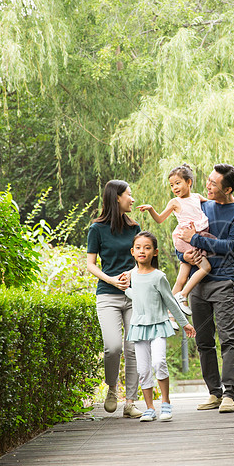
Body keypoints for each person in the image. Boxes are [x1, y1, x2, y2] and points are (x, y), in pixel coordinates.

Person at [176, 163, 234, 413]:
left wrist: (195, 240)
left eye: (213, 183)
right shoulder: (201, 205)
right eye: (208, 180)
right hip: (198, 282)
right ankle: (214, 393)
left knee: (229, 338)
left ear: (228, 188)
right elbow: (182, 239)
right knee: (204, 341)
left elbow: (231, 246)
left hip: (222, 280)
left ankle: (230, 394)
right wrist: (183, 257)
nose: (207, 186)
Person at [123, 231, 195, 422]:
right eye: (138, 248)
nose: (142, 251)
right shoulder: (131, 276)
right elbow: (136, 296)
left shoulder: (159, 276)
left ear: (154, 252)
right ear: (132, 251)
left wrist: (185, 324)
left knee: (159, 362)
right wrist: (126, 289)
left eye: (147, 248)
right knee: (143, 369)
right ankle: (149, 408)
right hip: (139, 328)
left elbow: (171, 302)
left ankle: (165, 403)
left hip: (158, 326)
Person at [86, 179, 143, 418]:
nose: (132, 199)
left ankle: (130, 402)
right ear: (116, 197)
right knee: (113, 347)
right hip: (108, 296)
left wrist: (129, 274)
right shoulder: (96, 229)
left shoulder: (134, 228)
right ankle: (112, 389)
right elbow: (90, 264)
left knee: (133, 348)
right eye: (129, 194)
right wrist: (110, 280)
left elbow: (142, 260)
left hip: (133, 295)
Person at [136, 164, 212, 316]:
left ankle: (169, 314)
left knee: (182, 277)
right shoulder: (175, 202)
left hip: (194, 238)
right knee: (206, 268)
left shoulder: (197, 197)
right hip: (185, 239)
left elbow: (212, 203)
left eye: (178, 183)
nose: (174, 188)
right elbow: (160, 219)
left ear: (189, 182)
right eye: (172, 185)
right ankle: (182, 296)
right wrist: (151, 209)